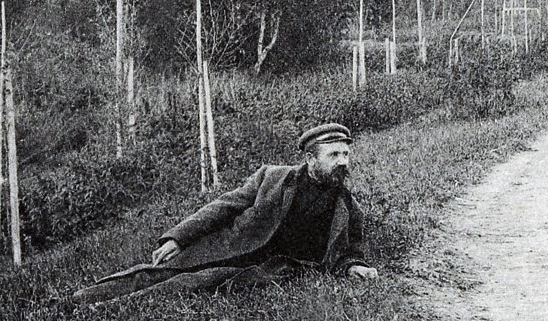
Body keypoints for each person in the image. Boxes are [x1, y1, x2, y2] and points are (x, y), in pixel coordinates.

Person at [72, 122, 380, 303]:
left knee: (191, 283)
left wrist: (356, 267)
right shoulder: (272, 177)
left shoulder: (348, 207)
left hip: (268, 268)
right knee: (156, 271)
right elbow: (224, 205)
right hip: (231, 245)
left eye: (345, 154)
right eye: (333, 155)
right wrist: (178, 237)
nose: (342, 162)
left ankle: (104, 309)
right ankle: (78, 299)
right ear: (311, 159)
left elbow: (351, 250)